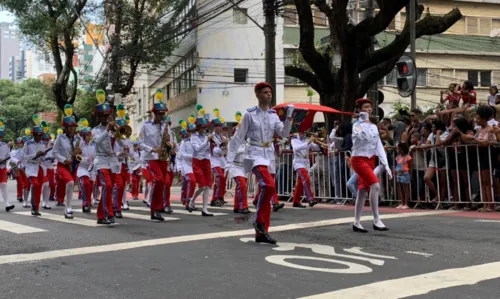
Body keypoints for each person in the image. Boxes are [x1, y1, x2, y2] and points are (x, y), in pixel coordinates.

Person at [226, 82, 294, 244]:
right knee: (268, 186)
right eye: (265, 92)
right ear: (257, 95)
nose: (269, 94)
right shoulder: (249, 114)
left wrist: (289, 116)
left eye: (270, 92)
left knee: (269, 188)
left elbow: (283, 133)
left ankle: (262, 231)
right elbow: (238, 137)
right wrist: (228, 162)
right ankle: (258, 221)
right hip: (254, 154)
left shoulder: (273, 115)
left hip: (268, 154)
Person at [351, 98, 392, 233]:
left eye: (370, 107)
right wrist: (362, 122)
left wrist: (386, 164)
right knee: (375, 185)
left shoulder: (374, 126)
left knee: (362, 191)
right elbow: (361, 137)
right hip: (358, 159)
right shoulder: (356, 125)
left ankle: (356, 222)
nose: (369, 109)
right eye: (366, 107)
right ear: (359, 110)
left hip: (370, 159)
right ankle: (376, 220)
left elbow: (378, 145)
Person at [139, 97, 172, 222]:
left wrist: (169, 144)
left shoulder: (165, 126)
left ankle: (159, 207)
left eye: (163, 113)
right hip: (151, 157)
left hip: (163, 157)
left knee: (162, 182)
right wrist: (151, 149)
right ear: (154, 113)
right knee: (158, 180)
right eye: (159, 114)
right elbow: (139, 142)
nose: (161, 116)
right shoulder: (146, 126)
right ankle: (154, 209)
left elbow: (169, 140)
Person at [92, 97, 118, 224]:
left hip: (111, 161)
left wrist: (116, 133)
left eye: (107, 116)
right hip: (101, 160)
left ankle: (100, 215)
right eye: (102, 116)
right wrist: (107, 130)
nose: (105, 118)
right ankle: (109, 213)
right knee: (107, 186)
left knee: (109, 187)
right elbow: (97, 141)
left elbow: (121, 141)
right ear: (98, 117)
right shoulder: (95, 130)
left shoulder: (113, 130)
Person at [53, 106, 81, 219]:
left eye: (73, 126)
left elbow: (81, 152)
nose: (71, 129)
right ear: (65, 127)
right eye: (69, 126)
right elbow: (54, 152)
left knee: (71, 183)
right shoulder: (60, 138)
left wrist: (80, 152)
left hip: (74, 165)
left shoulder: (78, 139)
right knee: (69, 183)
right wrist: (64, 159)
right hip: (63, 165)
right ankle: (68, 207)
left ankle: (68, 207)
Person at [187, 107, 214, 216]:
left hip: (206, 161)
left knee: (207, 186)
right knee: (202, 186)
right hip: (197, 161)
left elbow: (209, 150)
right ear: (197, 128)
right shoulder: (193, 137)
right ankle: (192, 200)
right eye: (201, 127)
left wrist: (213, 144)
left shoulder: (207, 136)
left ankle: (205, 208)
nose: (203, 129)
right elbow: (197, 149)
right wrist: (206, 141)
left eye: (204, 127)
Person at [24, 116, 47, 216]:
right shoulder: (27, 143)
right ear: (34, 135)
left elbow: (42, 159)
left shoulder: (43, 144)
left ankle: (36, 208)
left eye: (41, 135)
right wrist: (35, 155)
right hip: (30, 167)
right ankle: (33, 207)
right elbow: (25, 157)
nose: (39, 137)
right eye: (37, 135)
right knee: (35, 185)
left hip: (40, 167)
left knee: (39, 187)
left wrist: (43, 156)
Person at [291, 130, 320, 208]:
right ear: (298, 132)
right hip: (298, 162)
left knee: (300, 183)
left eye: (304, 131)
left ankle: (296, 201)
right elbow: (296, 148)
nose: (304, 133)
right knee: (306, 179)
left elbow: (317, 148)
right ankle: (310, 199)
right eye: (302, 131)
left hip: (306, 163)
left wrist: (316, 140)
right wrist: (308, 143)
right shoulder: (294, 139)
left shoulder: (307, 140)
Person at [229, 125, 251, 214]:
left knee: (241, 187)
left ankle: (237, 206)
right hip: (235, 166)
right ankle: (243, 206)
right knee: (242, 185)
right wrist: (245, 149)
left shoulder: (245, 142)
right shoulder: (232, 142)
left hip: (243, 167)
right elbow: (233, 153)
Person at [210, 115, 228, 207]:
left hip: (222, 160)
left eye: (220, 126)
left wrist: (225, 147)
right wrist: (222, 147)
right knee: (219, 177)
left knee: (223, 179)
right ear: (214, 127)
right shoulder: (211, 137)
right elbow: (213, 151)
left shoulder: (221, 137)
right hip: (215, 160)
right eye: (218, 126)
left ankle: (220, 197)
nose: (220, 128)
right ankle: (215, 198)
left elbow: (224, 150)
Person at [77, 125, 95, 213]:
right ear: (83, 136)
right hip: (82, 167)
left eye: (89, 134)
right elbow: (78, 157)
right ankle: (85, 203)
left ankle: (88, 202)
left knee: (90, 187)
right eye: (87, 135)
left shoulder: (94, 145)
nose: (89, 136)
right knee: (85, 183)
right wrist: (85, 159)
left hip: (92, 168)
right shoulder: (80, 144)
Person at [178, 124, 197, 209]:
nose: (193, 133)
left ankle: (185, 198)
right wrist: (191, 156)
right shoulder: (184, 142)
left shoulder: (197, 140)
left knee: (188, 183)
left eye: (194, 131)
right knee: (192, 181)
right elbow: (181, 155)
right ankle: (188, 201)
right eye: (191, 132)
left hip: (195, 165)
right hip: (186, 165)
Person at [0, 125, 14, 212]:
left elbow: (8, 156)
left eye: (0, 136)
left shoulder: (5, 145)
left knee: (4, 185)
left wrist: (5, 162)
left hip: (2, 168)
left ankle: (7, 204)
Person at [11, 137, 29, 205]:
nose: (19, 144)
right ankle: (19, 195)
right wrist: (17, 161)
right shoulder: (15, 151)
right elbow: (12, 159)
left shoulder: (26, 150)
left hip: (26, 167)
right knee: (19, 182)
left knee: (25, 183)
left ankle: (24, 197)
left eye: (21, 143)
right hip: (18, 168)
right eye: (18, 143)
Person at [395, 142, 412, 209]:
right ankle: (401, 202)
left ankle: (406, 203)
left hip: (405, 174)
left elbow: (410, 166)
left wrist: (410, 174)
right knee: (400, 188)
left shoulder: (408, 157)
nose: (397, 150)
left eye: (398, 149)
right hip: (399, 174)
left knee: (405, 189)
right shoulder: (398, 157)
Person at [40, 133, 54, 210]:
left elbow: (55, 156)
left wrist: (52, 159)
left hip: (50, 168)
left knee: (50, 185)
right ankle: (43, 202)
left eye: (47, 140)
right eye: (44, 139)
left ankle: (46, 202)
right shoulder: (40, 147)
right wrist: (46, 158)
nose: (46, 141)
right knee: (45, 185)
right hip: (43, 168)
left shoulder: (51, 148)